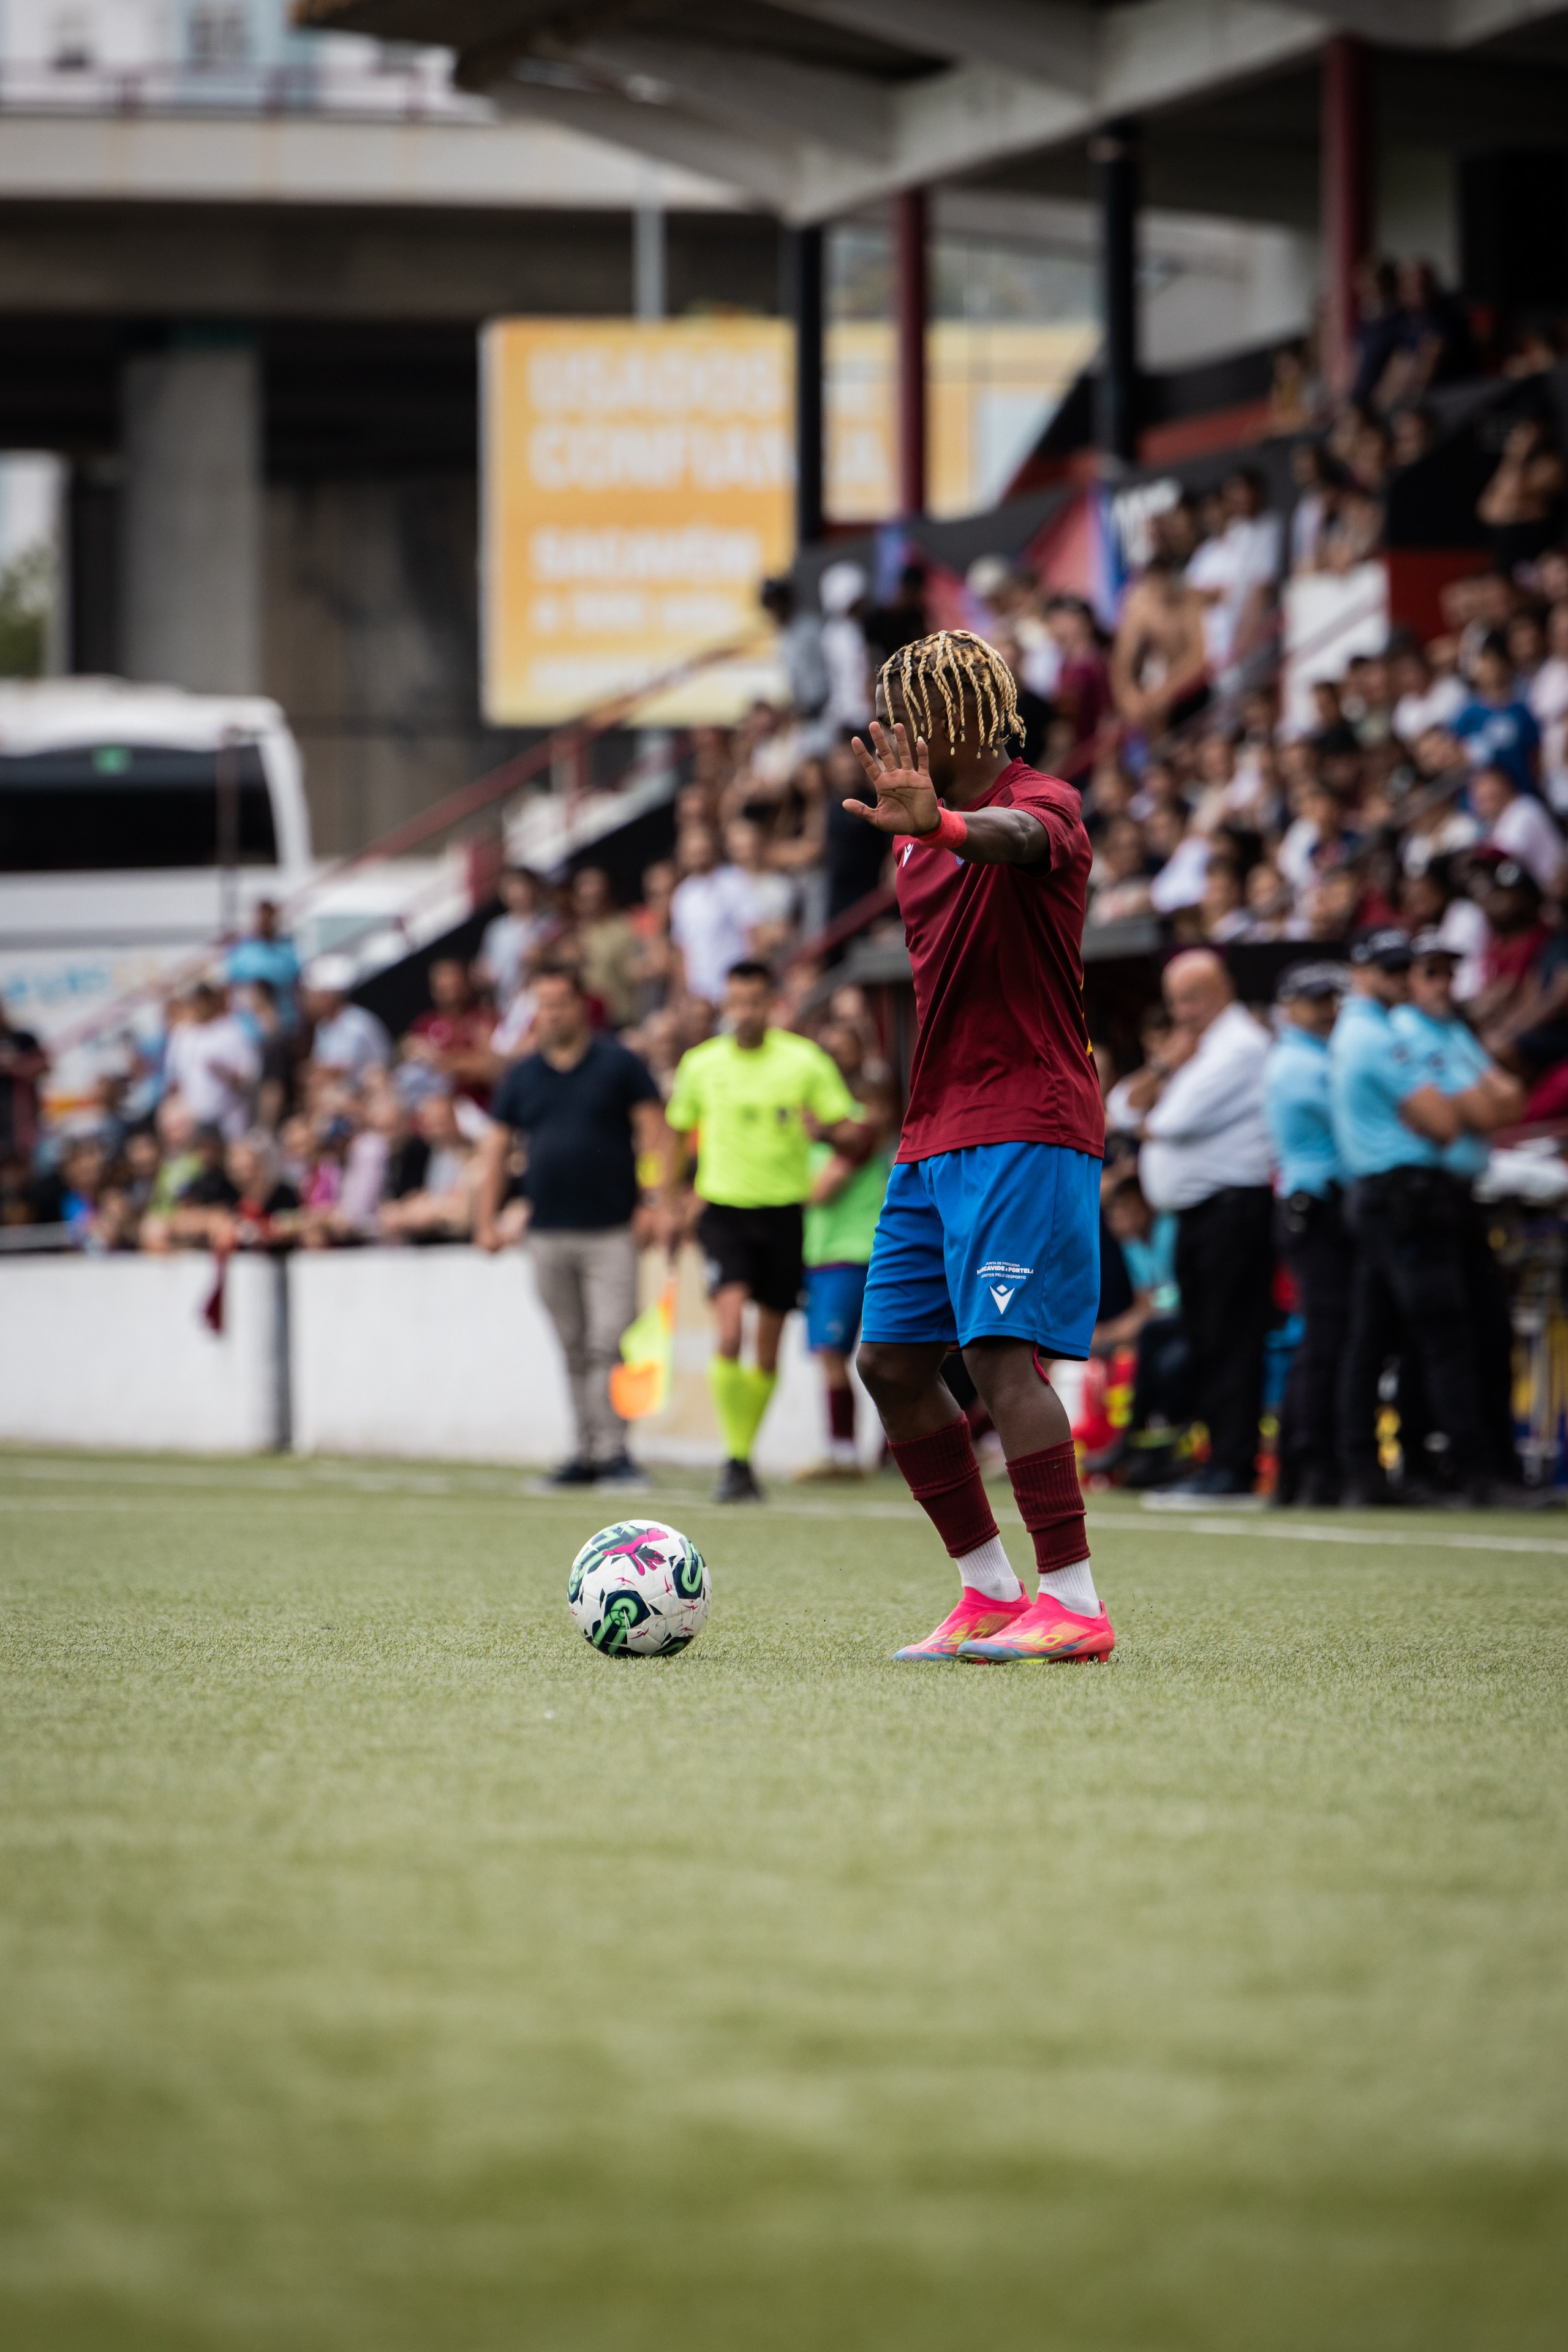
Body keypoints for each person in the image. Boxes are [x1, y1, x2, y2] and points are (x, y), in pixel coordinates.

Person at [839, 630, 1111, 1665]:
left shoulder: (1047, 803)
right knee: (893, 1364)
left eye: (910, 715)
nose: (893, 735)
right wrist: (931, 828)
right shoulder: (905, 840)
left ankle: (1075, 1603)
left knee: (1001, 1356)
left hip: (1027, 1119)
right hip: (933, 1131)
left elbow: (1015, 839)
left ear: (961, 719)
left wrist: (949, 823)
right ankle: (989, 1592)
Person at [665, 962, 868, 1504]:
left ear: (772, 1003)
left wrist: (826, 1129)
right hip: (724, 1212)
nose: (745, 1013)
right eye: (737, 1002)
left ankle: (744, 1457)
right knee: (729, 1332)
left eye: (756, 1001)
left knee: (768, 1348)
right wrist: (668, 1200)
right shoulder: (701, 1064)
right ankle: (734, 1458)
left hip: (783, 1214)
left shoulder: (803, 1062)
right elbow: (677, 1132)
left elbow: (852, 1131)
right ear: (725, 1004)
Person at [1329, 928, 1509, 1507]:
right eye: (1395, 969)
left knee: (1381, 1336)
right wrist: (1450, 1106)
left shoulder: (1368, 1029)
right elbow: (1446, 1123)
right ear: (1363, 972)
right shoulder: (1382, 1035)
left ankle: (1374, 1471)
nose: (1405, 978)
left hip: (1385, 1195)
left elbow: (1497, 1105)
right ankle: (1474, 1474)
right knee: (1445, 1335)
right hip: (1404, 1195)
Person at [475, 965, 672, 1490]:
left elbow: (654, 1133)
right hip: (547, 1230)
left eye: (560, 1002)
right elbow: (496, 1150)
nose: (551, 1014)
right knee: (573, 1345)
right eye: (542, 1004)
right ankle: (585, 1451)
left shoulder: (619, 1064)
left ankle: (612, 1451)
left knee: (611, 1339)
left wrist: (654, 1200)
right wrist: (486, 1219)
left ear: (582, 1005)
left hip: (612, 1228)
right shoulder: (522, 1076)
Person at [1136, 951, 1275, 1497]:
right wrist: (1168, 1067)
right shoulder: (1199, 1047)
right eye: (1174, 1001)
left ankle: (1233, 1465)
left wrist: (1165, 1077)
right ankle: (1218, 1458)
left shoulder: (1239, 1045)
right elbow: (1125, 1107)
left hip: (1233, 1212)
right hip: (1202, 1217)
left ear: (1223, 990)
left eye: (1192, 998)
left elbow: (1168, 1120)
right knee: (1208, 1339)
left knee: (1230, 1341)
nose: (1182, 1012)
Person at [1393, 933, 1526, 1488]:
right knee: (1439, 1335)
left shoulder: (1451, 1030)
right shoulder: (1405, 1031)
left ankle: (1481, 1460)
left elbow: (1511, 1100)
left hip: (1460, 1193)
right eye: (1431, 973)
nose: (1443, 984)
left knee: (1483, 1331)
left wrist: (1484, 1102)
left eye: (1449, 973)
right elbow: (1467, 1110)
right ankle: (1451, 1465)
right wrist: (1484, 1100)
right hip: (1422, 1194)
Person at [1263, 962, 1352, 1506]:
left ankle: (1303, 1463)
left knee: (1323, 1336)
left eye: (1332, 998)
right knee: (1326, 1337)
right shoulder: (1303, 1063)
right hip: (1317, 1207)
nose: (1328, 1009)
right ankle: (1307, 1461)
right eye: (1315, 999)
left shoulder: (1310, 1056)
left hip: (1312, 1206)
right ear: (1291, 1005)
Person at [798, 1019, 894, 1481]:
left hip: (852, 1251)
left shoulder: (857, 1122)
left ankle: (848, 1453)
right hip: (822, 1253)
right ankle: (850, 1451)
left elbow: (822, 1190)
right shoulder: (826, 1120)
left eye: (842, 1051)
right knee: (833, 1356)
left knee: (847, 1356)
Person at [668, 824, 758, 1008]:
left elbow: (754, 933)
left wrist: (751, 982)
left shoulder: (734, 881)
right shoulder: (682, 896)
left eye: (703, 850)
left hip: (736, 990)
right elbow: (682, 951)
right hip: (701, 999)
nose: (699, 856)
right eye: (693, 852)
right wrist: (683, 995)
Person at [162, 979, 260, 1141]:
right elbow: (174, 1078)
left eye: (204, 1000)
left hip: (230, 1116)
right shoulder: (182, 1035)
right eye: (195, 1001)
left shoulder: (232, 1030)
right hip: (195, 1120)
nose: (200, 1006)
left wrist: (226, 1073)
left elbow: (250, 1075)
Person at [304, 957, 392, 1085]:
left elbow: (381, 1063)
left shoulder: (358, 1023)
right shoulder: (322, 1027)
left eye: (314, 996)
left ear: (329, 996)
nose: (309, 1002)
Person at [225, 900, 301, 1027]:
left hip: (285, 1023)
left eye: (269, 917)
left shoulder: (287, 949)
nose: (265, 922)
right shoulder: (242, 950)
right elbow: (233, 987)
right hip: (249, 1026)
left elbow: (296, 985)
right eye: (262, 917)